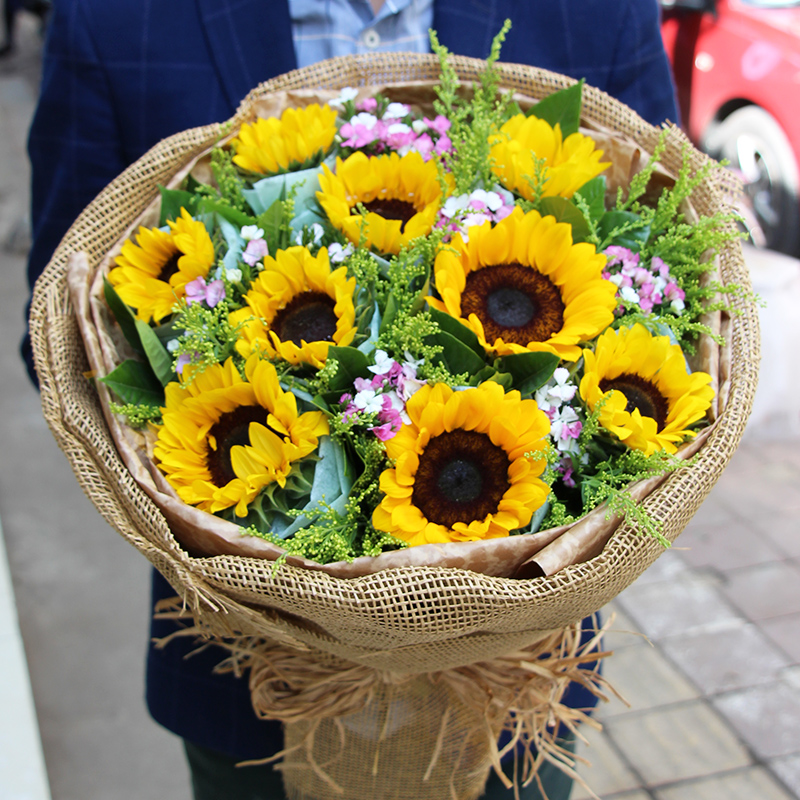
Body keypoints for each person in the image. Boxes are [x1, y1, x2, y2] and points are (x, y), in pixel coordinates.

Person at [22, 2, 679, 798]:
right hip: (246, 694)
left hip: (515, 700)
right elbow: (63, 328)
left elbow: (667, 276)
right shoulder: (114, 17)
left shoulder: (598, 11)